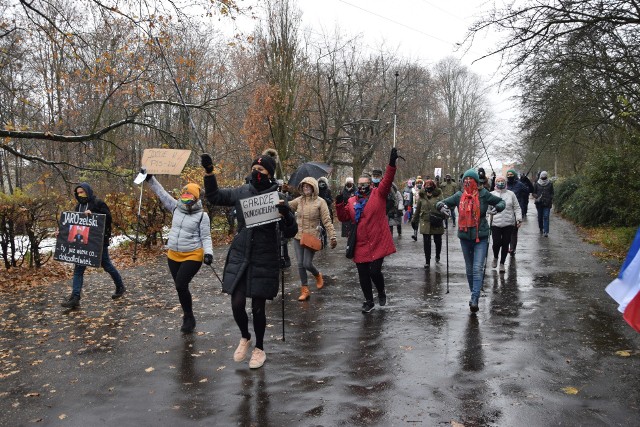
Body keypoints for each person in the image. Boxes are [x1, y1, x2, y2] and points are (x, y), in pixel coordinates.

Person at [201, 151, 298, 369]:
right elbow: (215, 196)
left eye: (261, 170)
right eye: (254, 169)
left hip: (265, 256)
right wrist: (209, 173)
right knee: (236, 303)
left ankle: (260, 347)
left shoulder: (278, 196)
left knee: (257, 308)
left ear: (270, 174)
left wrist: (286, 215)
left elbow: (291, 231)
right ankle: (245, 336)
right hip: (241, 254)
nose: (256, 172)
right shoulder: (242, 191)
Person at [145, 175, 213, 333]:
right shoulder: (175, 207)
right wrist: (150, 179)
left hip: (193, 254)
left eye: (190, 195)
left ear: (196, 198)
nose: (186, 198)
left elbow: (206, 237)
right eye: (184, 194)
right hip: (173, 254)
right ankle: (188, 315)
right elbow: (161, 193)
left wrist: (208, 253)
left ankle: (188, 317)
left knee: (180, 284)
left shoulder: (202, 216)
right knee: (181, 288)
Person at [336, 148, 399, 313]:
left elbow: (387, 180)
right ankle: (369, 301)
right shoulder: (351, 201)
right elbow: (344, 217)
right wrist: (338, 204)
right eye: (360, 184)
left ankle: (381, 291)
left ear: (371, 185)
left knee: (375, 271)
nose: (362, 187)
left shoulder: (379, 194)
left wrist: (391, 163)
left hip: (378, 240)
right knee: (363, 274)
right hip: (360, 242)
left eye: (365, 184)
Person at [437, 169, 505, 313]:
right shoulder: (459, 195)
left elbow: (501, 202)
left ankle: (474, 298)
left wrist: (496, 209)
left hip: (481, 236)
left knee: (476, 268)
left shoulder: (484, 194)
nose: (468, 183)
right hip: (464, 236)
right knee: (469, 268)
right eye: (465, 180)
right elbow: (441, 203)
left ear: (476, 182)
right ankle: (474, 292)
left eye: (470, 180)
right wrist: (442, 208)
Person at [60, 183, 126, 308]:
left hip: (98, 242)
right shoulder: (78, 206)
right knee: (78, 269)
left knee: (106, 265)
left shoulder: (98, 203)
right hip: (82, 243)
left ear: (88, 191)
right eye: (78, 193)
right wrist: (62, 232)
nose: (80, 195)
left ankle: (120, 286)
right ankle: (75, 297)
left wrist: (94, 213)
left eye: (82, 192)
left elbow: (108, 218)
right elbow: (73, 224)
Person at [288, 177, 337, 301]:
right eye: (304, 186)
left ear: (314, 188)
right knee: (300, 264)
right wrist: (282, 195)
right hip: (298, 236)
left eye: (308, 186)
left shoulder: (320, 202)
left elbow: (326, 220)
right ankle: (305, 289)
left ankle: (317, 274)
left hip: (311, 237)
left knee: (307, 263)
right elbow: (286, 207)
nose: (306, 188)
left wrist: (332, 236)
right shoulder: (299, 201)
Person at [488, 176, 522, 273]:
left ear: (505, 182)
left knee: (505, 243)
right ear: (495, 183)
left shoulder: (511, 194)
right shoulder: (492, 194)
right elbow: (487, 208)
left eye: (502, 181)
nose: (500, 183)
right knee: (496, 243)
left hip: (509, 223)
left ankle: (502, 263)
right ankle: (495, 257)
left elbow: (517, 207)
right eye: (498, 181)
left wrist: (518, 219)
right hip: (495, 223)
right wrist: (489, 214)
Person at [412, 179, 445, 268]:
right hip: (425, 222)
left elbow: (444, 207)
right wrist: (414, 220)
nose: (428, 190)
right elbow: (418, 209)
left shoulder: (439, 195)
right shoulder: (422, 196)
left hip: (436, 221)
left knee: (437, 241)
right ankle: (427, 261)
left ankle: (437, 256)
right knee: (426, 242)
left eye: (430, 187)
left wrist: (444, 216)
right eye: (426, 188)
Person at [505, 169, 529, 255]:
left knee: (514, 231)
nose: (510, 176)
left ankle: (512, 248)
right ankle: (506, 246)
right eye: (508, 174)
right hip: (506, 210)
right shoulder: (505, 184)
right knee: (507, 230)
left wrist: (526, 181)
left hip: (516, 210)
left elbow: (528, 191)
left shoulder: (520, 185)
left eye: (511, 174)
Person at [533, 170, 554, 237]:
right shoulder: (537, 184)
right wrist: (536, 196)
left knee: (546, 216)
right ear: (540, 176)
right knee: (540, 217)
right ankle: (541, 228)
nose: (543, 177)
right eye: (542, 176)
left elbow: (552, 193)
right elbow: (533, 192)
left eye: (544, 176)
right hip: (539, 203)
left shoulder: (550, 184)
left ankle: (546, 231)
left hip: (547, 203)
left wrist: (550, 198)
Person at [316, 176, 334, 247]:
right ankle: (320, 240)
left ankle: (325, 239)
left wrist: (325, 199)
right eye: (320, 182)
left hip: (326, 209)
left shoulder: (328, 190)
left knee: (325, 224)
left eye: (322, 182)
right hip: (317, 209)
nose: (321, 184)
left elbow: (331, 200)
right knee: (319, 225)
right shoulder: (316, 190)